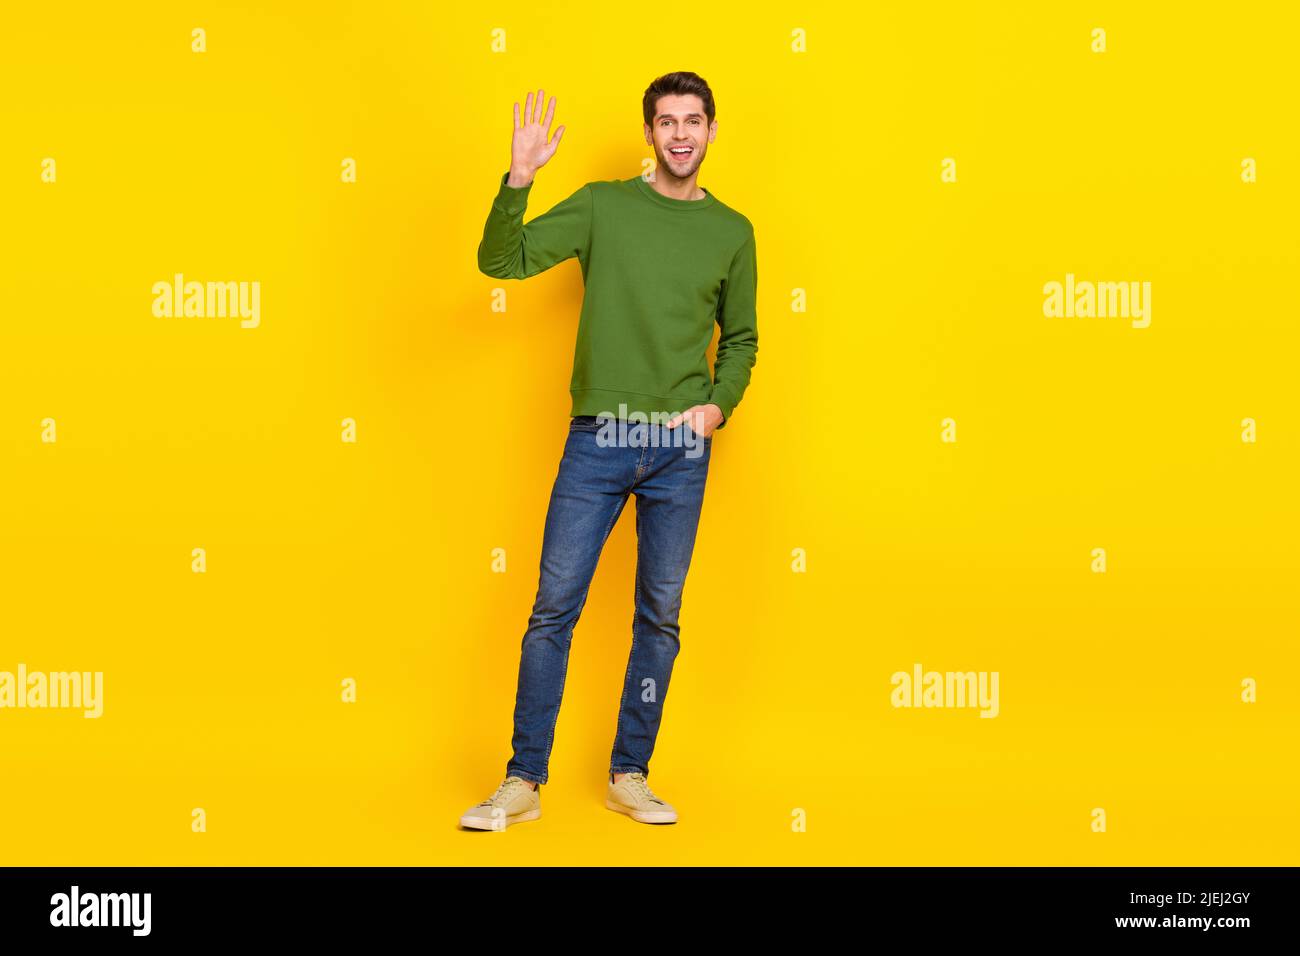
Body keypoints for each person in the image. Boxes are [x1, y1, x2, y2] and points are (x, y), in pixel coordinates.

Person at [461, 71, 758, 830]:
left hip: (677, 450)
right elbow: (504, 261)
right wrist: (518, 179)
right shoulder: (603, 206)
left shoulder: (733, 232)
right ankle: (523, 781)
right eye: (667, 121)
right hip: (599, 437)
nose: (681, 134)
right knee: (552, 611)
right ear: (650, 132)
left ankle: (631, 772)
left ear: (712, 130)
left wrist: (716, 410)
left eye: (694, 120)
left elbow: (744, 338)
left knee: (659, 617)